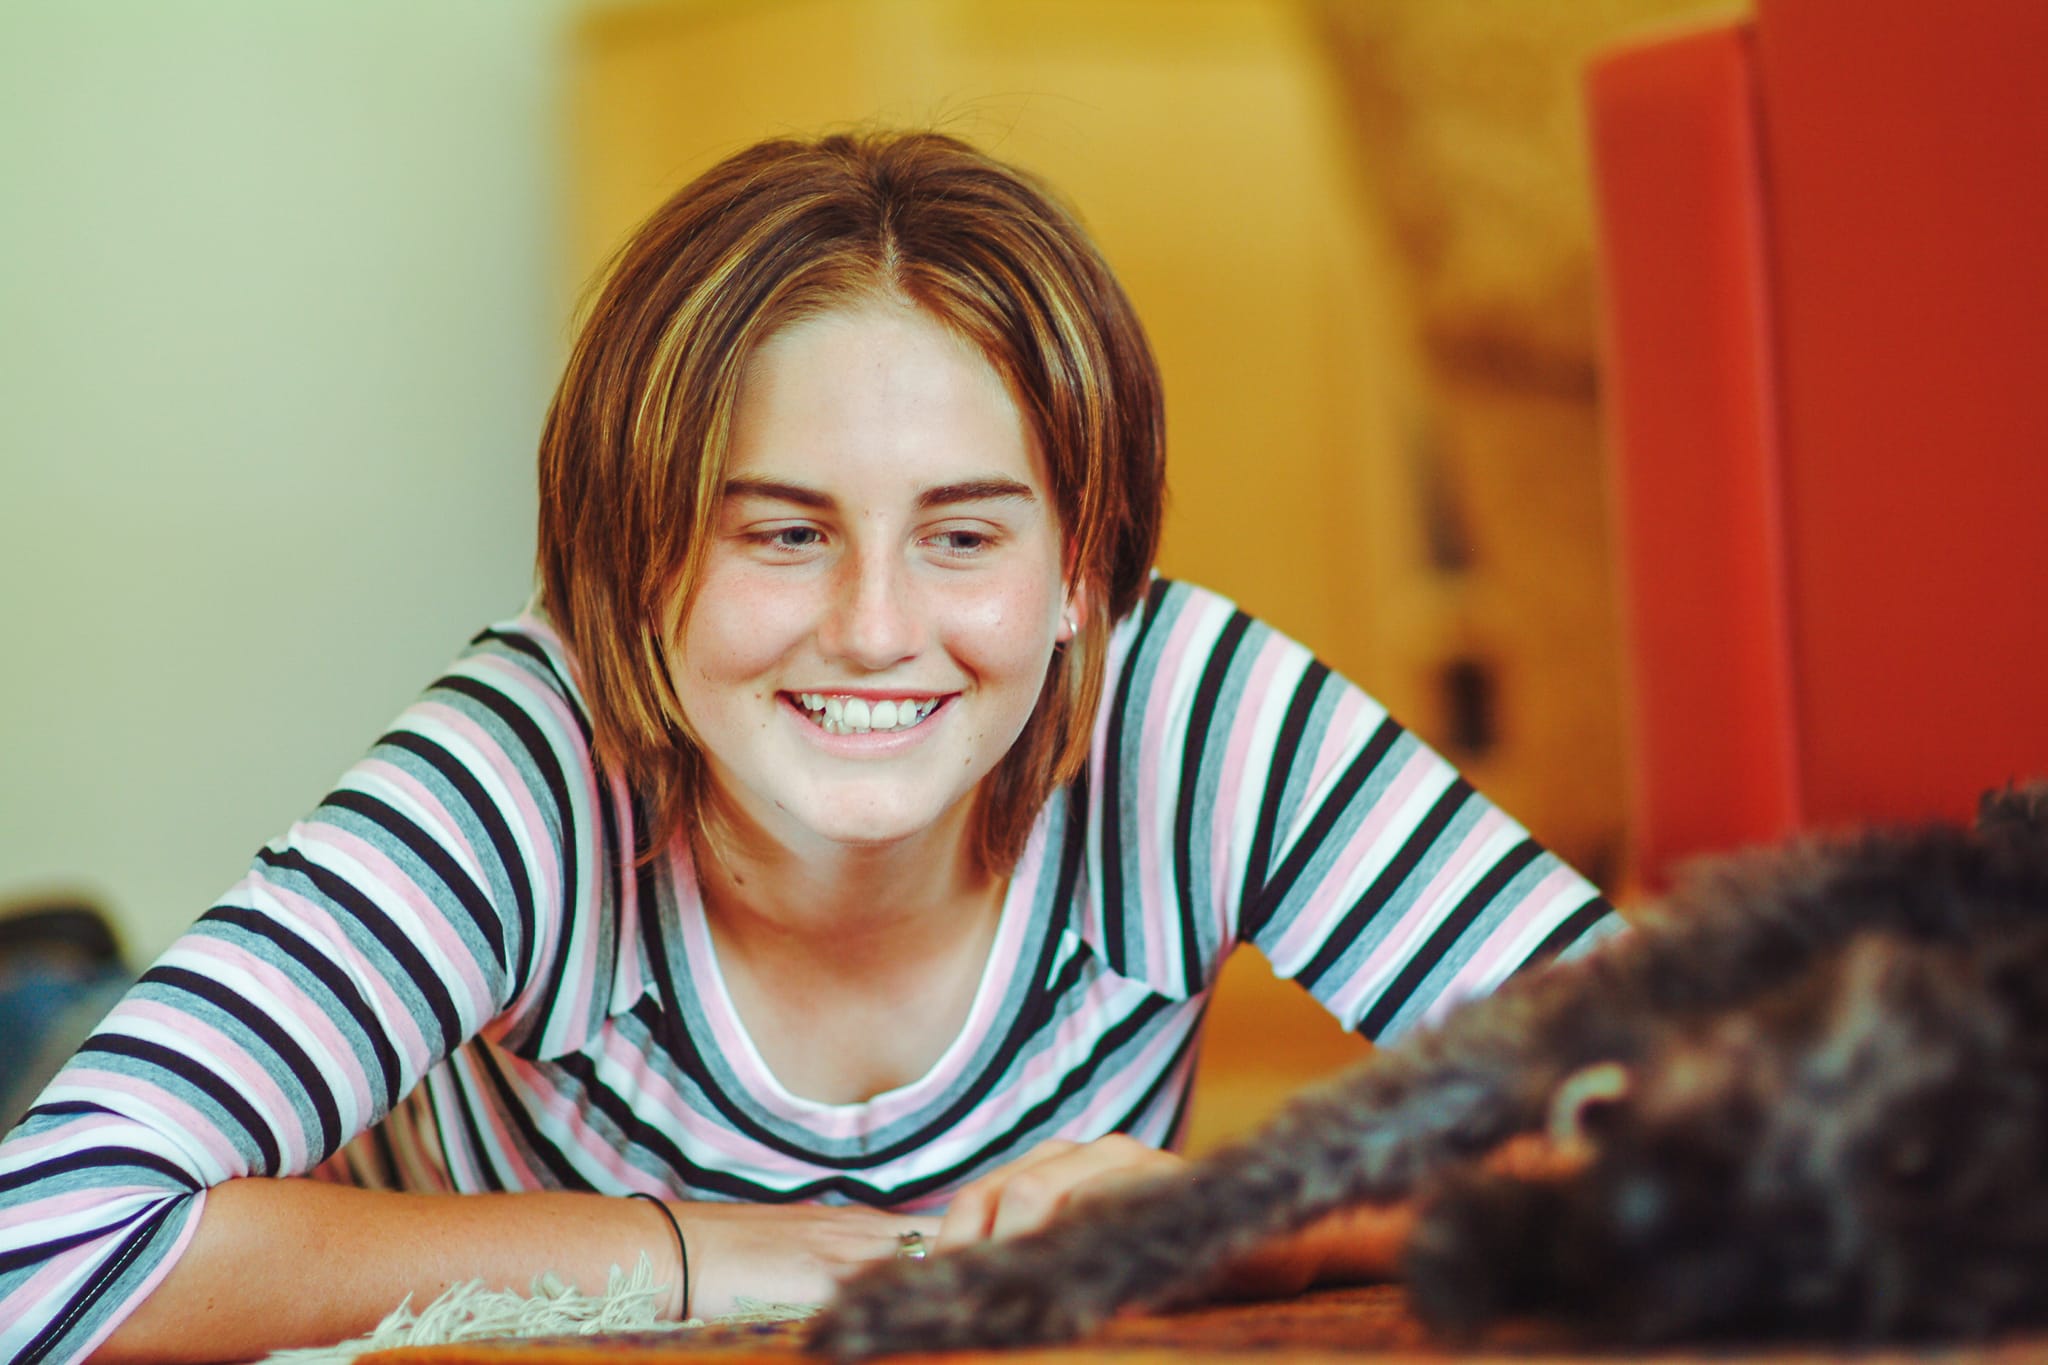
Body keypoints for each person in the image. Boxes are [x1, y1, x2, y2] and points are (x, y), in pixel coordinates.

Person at [0, 131, 1618, 1365]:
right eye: (781, 532)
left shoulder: (1190, 712)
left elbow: (1736, 1109)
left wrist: (1246, 1220)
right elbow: (47, 1240)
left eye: (964, 536)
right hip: (286, 1128)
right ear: (637, 564)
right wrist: (707, 1251)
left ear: (1080, 567)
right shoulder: (530, 765)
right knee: (62, 1053)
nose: (872, 626)